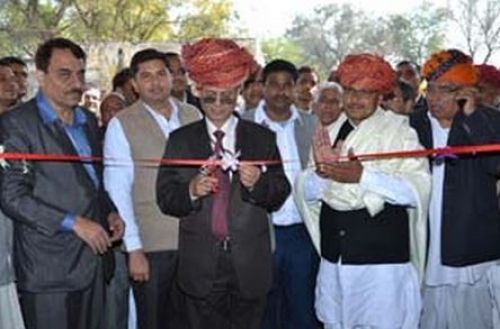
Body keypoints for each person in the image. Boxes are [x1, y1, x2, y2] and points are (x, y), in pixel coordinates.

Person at [156, 37, 291, 329]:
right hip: (200, 265)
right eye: (210, 97)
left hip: (250, 264)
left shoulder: (261, 138)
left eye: (227, 97)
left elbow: (280, 191)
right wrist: (190, 191)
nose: (218, 105)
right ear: (198, 91)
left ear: (239, 91)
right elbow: (165, 197)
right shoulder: (181, 140)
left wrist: (259, 184)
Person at [295, 53, 430, 329]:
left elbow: (416, 190)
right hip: (335, 261)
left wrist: (364, 177)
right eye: (351, 91)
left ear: (380, 96)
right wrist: (323, 173)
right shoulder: (328, 133)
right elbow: (306, 192)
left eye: (365, 92)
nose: (355, 99)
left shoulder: (400, 132)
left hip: (382, 265)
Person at [0, 37, 124, 329]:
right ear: (40, 76)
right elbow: (12, 195)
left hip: (95, 260)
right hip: (49, 269)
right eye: (64, 74)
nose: (76, 83)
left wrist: (110, 212)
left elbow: (95, 182)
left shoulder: (88, 121)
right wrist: (75, 223)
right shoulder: (16, 123)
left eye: (80, 74)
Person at [104, 48, 201, 329]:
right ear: (134, 84)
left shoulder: (193, 115)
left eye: (161, 74)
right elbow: (117, 189)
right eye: (145, 76)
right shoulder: (122, 124)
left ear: (173, 78)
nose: (155, 82)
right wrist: (133, 248)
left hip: (196, 243)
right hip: (151, 247)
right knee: (154, 321)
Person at [411, 49, 500, 329]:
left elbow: (496, 166)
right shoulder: (414, 124)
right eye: (430, 89)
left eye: (445, 90)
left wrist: (473, 118)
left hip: (470, 252)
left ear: (466, 92)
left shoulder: (488, 120)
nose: (434, 98)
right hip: (424, 249)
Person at [242, 59, 318, 329]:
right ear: (262, 87)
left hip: (302, 232)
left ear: (297, 88)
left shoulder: (312, 125)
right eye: (273, 84)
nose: (280, 92)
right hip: (260, 231)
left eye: (288, 85)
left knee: (302, 311)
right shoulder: (243, 124)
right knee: (264, 311)